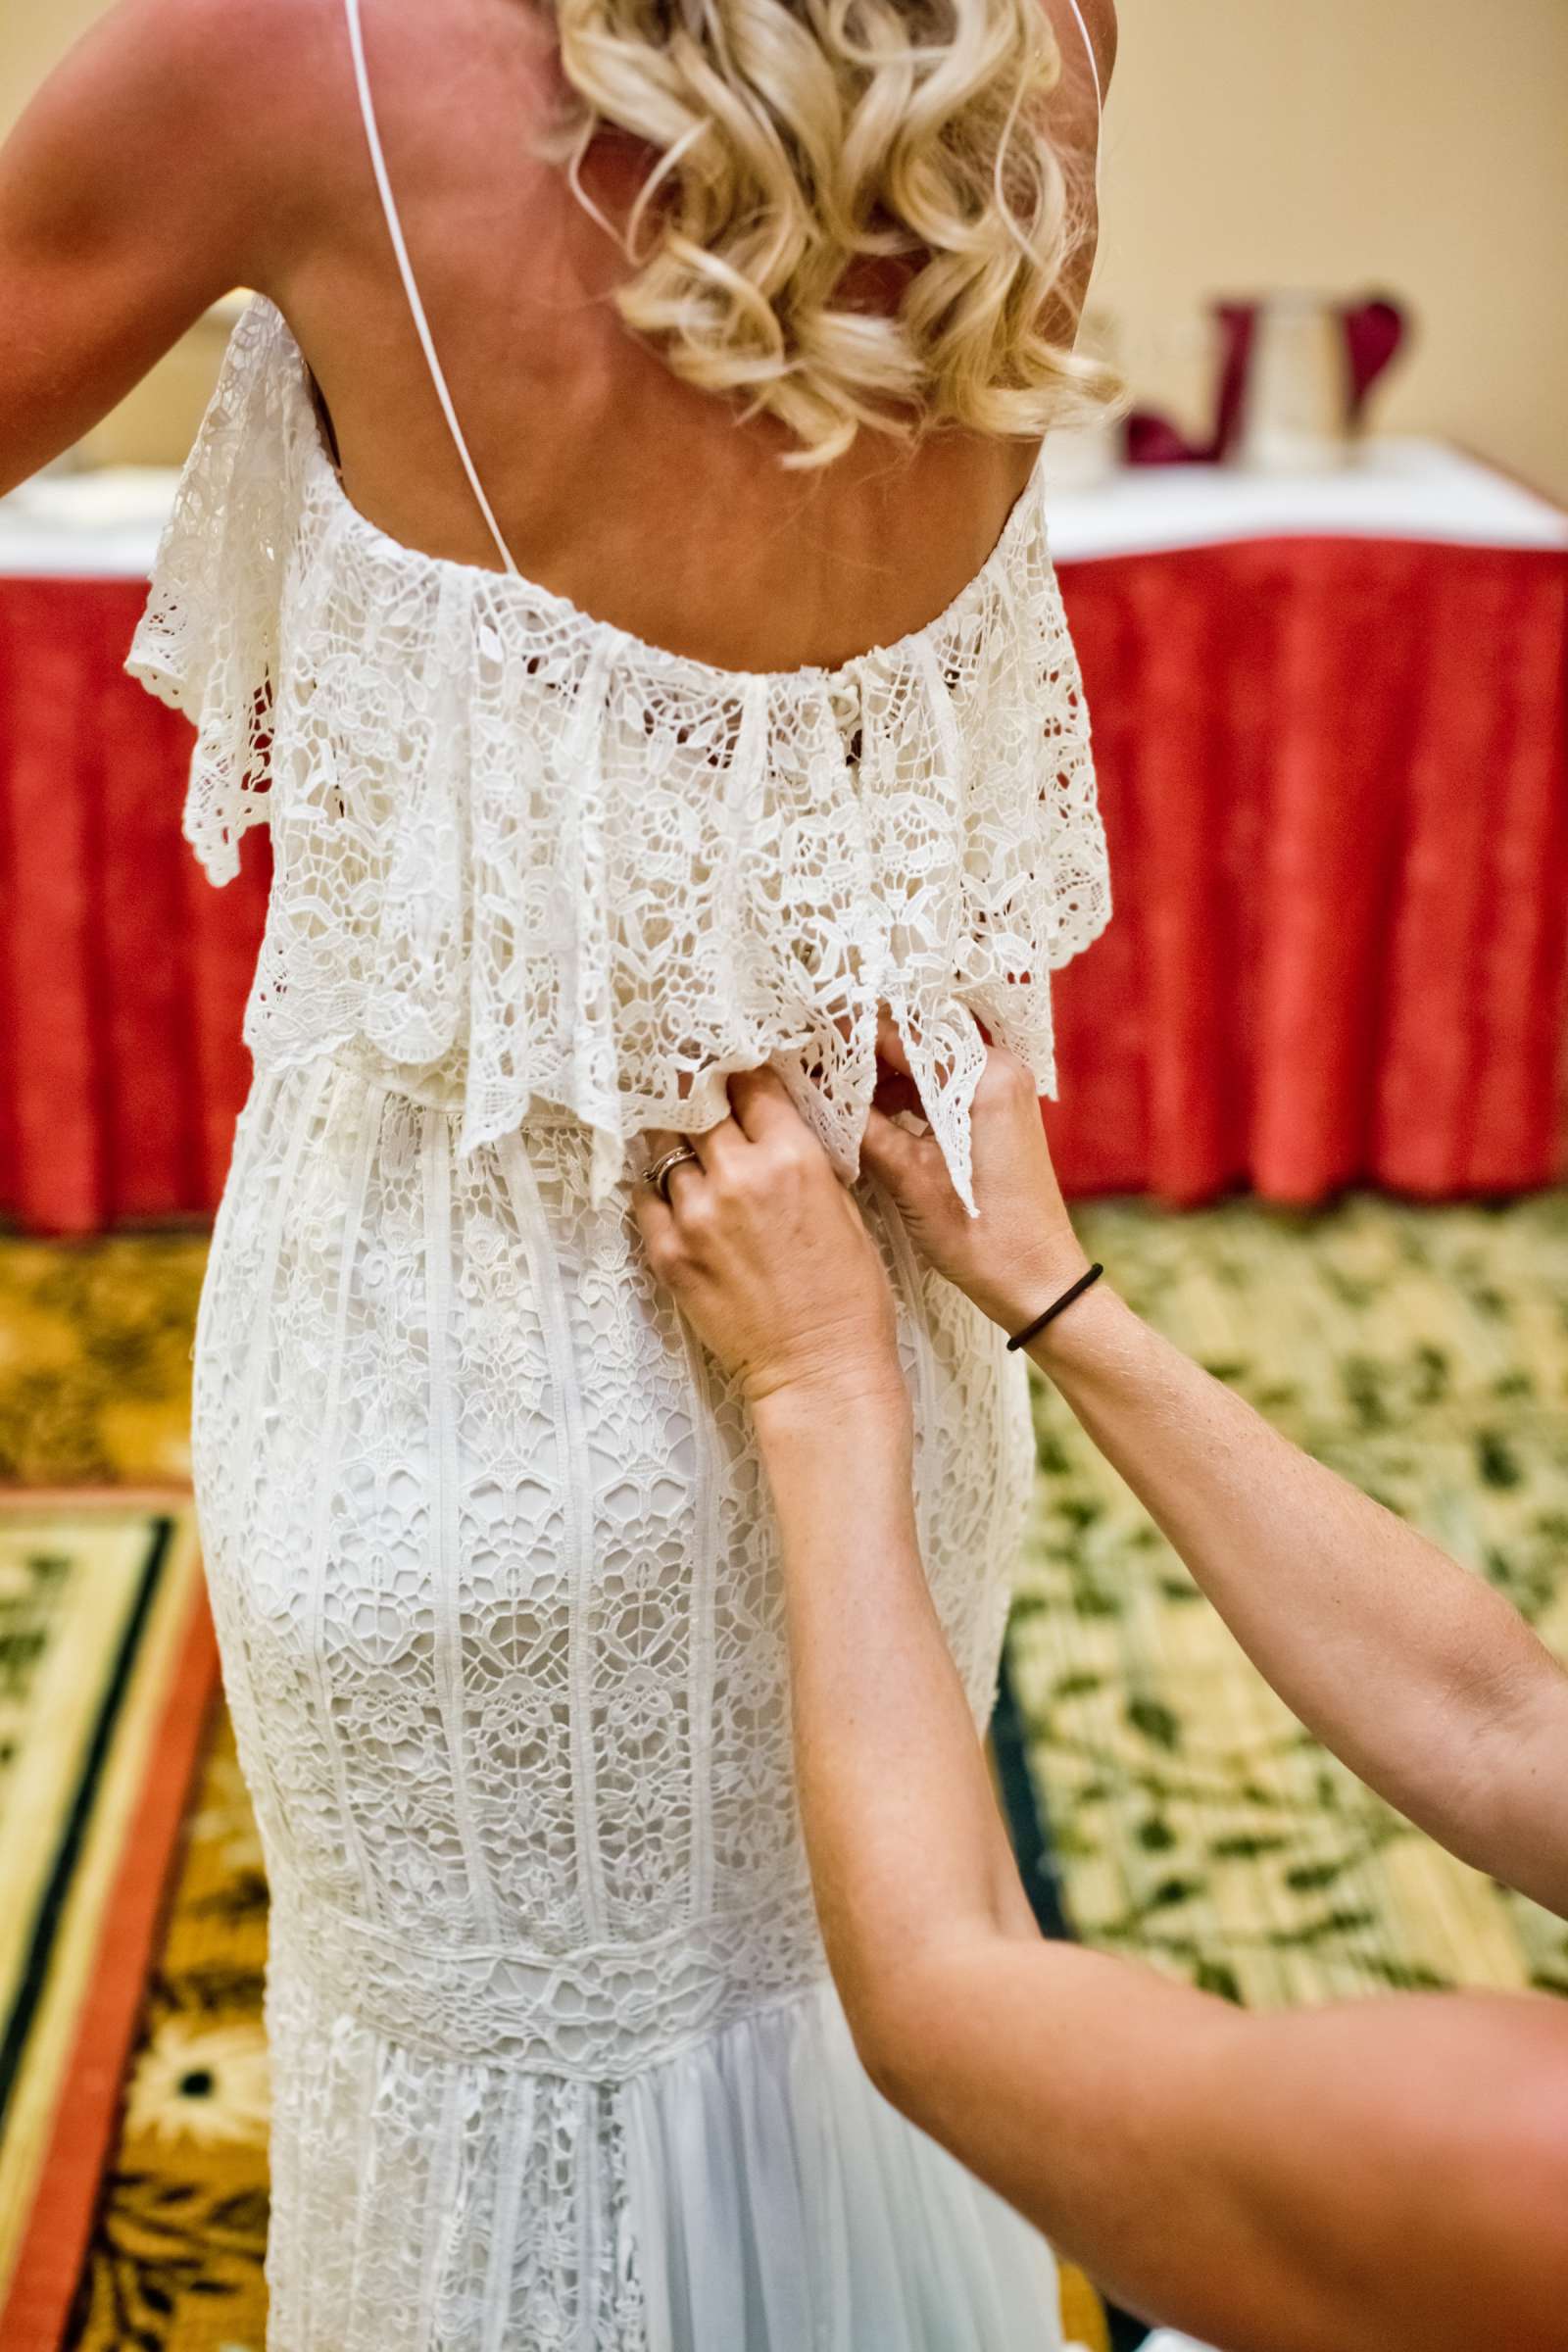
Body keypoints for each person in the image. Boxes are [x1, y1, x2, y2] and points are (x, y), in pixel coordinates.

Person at [3, 0, 1123, 2344]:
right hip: (866, 1356)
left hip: (446, 1392)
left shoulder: (272, 54)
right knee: (847, 2042)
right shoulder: (1024, 27)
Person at [633, 1031, 1568, 2352]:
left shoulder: (1516, 2175)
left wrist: (820, 1386)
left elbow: (946, 2005)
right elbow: (1504, 1728)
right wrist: (1055, 1293)